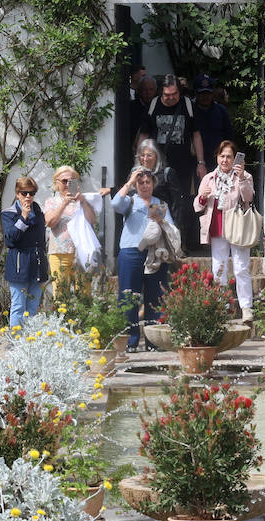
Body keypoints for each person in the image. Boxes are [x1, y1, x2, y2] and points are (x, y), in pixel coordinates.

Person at [137, 77, 205, 247]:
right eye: (167, 95)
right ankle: (159, 242)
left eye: (175, 94)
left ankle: (179, 243)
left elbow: (196, 135)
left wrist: (201, 162)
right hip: (156, 165)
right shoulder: (153, 106)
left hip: (182, 165)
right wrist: (139, 162)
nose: (171, 97)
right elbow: (144, 135)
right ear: (161, 92)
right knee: (157, 201)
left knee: (181, 203)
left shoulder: (187, 105)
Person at [112, 166, 175, 350]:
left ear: (153, 184)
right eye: (141, 182)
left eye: (148, 182)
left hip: (155, 253)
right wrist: (130, 182)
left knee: (155, 297)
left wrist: (161, 223)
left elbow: (170, 229)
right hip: (131, 252)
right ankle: (130, 341)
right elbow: (115, 204)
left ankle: (153, 341)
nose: (145, 185)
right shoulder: (130, 201)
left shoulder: (159, 204)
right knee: (128, 297)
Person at [194, 140, 256, 320]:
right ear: (217, 157)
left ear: (235, 158)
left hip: (238, 225)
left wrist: (243, 176)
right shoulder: (209, 178)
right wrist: (203, 197)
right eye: (222, 156)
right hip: (217, 225)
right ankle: (223, 305)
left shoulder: (244, 176)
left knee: (241, 268)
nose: (225, 160)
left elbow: (248, 197)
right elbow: (197, 206)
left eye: (229, 156)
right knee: (219, 268)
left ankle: (246, 307)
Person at [45, 166, 112, 302]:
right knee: (61, 293)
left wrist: (82, 201)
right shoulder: (51, 202)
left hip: (81, 253)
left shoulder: (83, 200)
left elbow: (92, 220)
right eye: (64, 181)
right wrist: (64, 204)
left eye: (72, 181)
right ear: (56, 183)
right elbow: (50, 222)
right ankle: (62, 321)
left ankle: (83, 322)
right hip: (60, 252)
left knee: (84, 293)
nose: (67, 184)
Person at [1, 176, 49, 327]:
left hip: (37, 264)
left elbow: (41, 240)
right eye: (24, 193)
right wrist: (23, 217)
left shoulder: (39, 212)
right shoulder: (8, 213)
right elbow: (11, 240)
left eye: (32, 193)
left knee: (33, 307)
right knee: (19, 306)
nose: (28, 196)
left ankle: (29, 344)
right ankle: (16, 343)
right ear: (17, 193)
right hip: (19, 264)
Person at [193, 75, 234, 175]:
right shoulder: (190, 111)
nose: (205, 97)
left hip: (218, 160)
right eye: (202, 93)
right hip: (195, 161)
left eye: (208, 93)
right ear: (196, 94)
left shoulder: (221, 111)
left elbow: (229, 137)